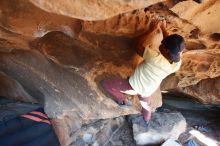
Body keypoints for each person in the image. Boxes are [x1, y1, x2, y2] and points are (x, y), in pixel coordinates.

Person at [102, 21, 185, 122]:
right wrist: (163, 28)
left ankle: (123, 100)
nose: (161, 42)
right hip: (149, 89)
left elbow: (137, 46)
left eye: (162, 44)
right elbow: (170, 46)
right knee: (146, 105)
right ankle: (146, 118)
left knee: (106, 84)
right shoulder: (176, 63)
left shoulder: (155, 58)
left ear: (166, 50)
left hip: (134, 86)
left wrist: (151, 29)